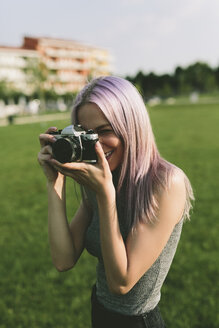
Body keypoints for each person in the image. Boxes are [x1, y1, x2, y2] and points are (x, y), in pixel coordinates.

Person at [38, 76, 194, 328]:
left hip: (137, 321)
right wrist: (54, 181)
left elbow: (121, 282)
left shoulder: (165, 183)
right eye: (87, 133)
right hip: (99, 313)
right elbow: (64, 259)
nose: (96, 144)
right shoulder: (102, 175)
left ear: (131, 126)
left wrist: (105, 195)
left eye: (105, 130)